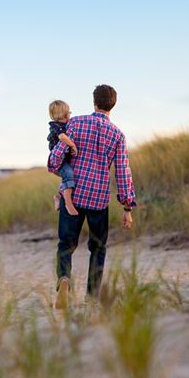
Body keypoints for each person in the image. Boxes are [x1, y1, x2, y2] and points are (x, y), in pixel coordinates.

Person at [48, 84, 136, 309]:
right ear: (112, 105)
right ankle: (93, 296)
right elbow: (123, 172)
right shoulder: (117, 134)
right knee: (98, 248)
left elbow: (55, 159)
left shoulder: (75, 123)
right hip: (98, 199)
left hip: (74, 196)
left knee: (65, 246)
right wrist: (127, 208)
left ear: (94, 102)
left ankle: (64, 279)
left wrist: (58, 164)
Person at [47, 100, 79, 216]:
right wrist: (72, 145)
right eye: (69, 113)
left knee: (69, 177)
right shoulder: (56, 126)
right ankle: (68, 203)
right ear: (65, 114)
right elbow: (62, 137)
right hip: (59, 160)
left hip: (65, 158)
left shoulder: (66, 125)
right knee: (69, 174)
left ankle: (59, 197)